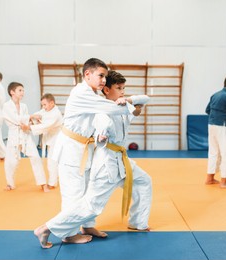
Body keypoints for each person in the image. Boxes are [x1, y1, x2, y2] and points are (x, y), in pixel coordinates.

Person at [33, 70, 151, 248]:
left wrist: (129, 100)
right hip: (107, 164)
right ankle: (47, 228)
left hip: (122, 160)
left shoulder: (122, 105)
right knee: (92, 206)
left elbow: (145, 100)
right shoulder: (102, 111)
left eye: (124, 88)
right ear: (107, 90)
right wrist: (100, 136)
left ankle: (138, 222)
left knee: (143, 181)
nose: (122, 91)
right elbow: (100, 127)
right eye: (119, 88)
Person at [2, 82, 48, 192]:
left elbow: (25, 121)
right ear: (12, 92)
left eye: (23, 90)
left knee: (36, 157)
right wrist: (31, 116)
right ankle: (10, 184)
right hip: (13, 136)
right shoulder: (6, 106)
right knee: (11, 162)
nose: (23, 92)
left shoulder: (24, 106)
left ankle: (43, 183)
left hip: (25, 135)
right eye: (20, 90)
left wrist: (31, 123)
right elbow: (16, 119)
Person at [23, 94, 63, 190]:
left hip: (56, 140)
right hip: (50, 140)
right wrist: (32, 117)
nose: (43, 107)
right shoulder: (47, 110)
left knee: (52, 162)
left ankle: (52, 183)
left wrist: (29, 127)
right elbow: (39, 114)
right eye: (42, 105)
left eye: (45, 105)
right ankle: (54, 181)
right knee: (54, 162)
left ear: (52, 103)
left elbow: (45, 126)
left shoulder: (56, 114)